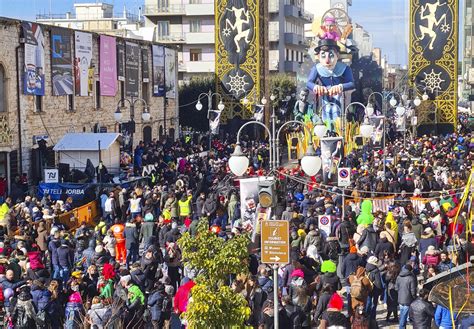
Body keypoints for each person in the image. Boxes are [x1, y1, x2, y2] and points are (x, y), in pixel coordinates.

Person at [395, 264, 418, 329]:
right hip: (408, 299)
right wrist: (414, 297)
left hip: (400, 298)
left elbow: (396, 288)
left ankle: (402, 327)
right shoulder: (411, 278)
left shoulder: (399, 276)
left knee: (402, 314)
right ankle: (401, 327)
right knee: (404, 316)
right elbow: (413, 291)